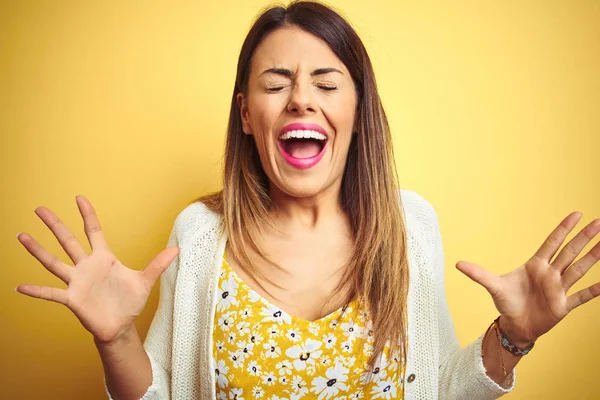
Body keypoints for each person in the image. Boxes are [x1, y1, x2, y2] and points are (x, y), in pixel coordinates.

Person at [15, 1, 600, 399]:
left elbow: (437, 391)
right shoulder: (198, 237)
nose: (300, 100)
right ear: (247, 114)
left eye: (326, 83)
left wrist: (512, 336)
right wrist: (115, 339)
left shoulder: (409, 227)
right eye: (275, 84)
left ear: (356, 107)